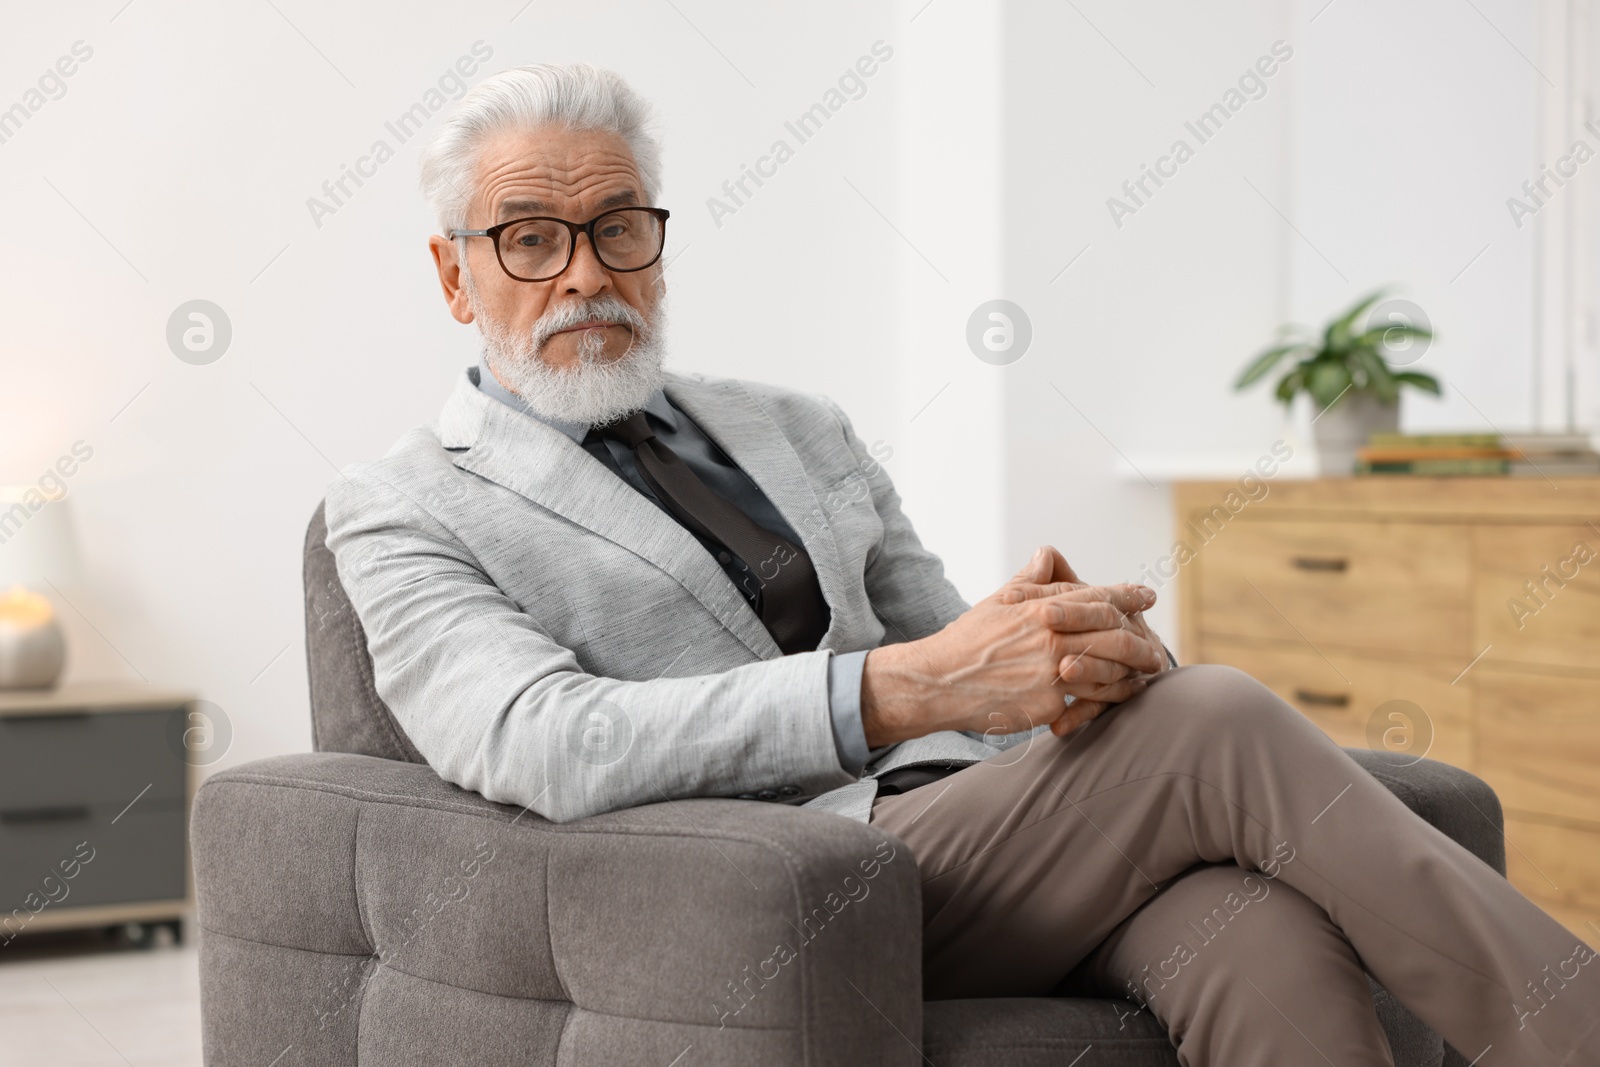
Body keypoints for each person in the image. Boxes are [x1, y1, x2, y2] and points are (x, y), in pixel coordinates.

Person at [324, 62, 1600, 1065]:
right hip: (777, 883)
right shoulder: (398, 505)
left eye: (619, 229)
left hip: (978, 832)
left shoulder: (794, 425)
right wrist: (910, 689)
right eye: (533, 239)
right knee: (1214, 716)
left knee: (1250, 931)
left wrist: (1065, 664)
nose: (589, 273)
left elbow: (946, 643)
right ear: (454, 275)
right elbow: (542, 739)